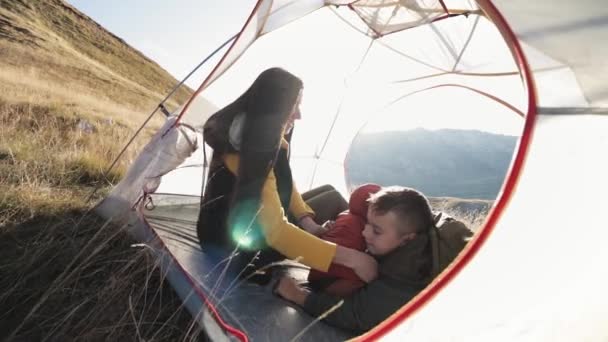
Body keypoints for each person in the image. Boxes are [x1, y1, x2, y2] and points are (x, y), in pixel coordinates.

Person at [197, 67, 377, 284]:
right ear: (275, 107)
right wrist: (353, 259)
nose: (299, 114)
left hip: (241, 226)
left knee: (330, 193)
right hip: (232, 251)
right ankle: (357, 263)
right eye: (294, 105)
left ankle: (351, 243)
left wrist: (307, 221)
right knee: (336, 206)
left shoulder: (258, 130)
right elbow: (276, 231)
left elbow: (283, 179)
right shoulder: (245, 149)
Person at [275, 186, 435, 333]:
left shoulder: (410, 269)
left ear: (407, 240)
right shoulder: (399, 239)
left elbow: (358, 315)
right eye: (367, 224)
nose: (365, 233)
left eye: (376, 231)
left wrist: (298, 295)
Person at [307, 183, 382, 296]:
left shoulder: (349, 216)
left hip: (322, 269)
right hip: (327, 276)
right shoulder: (359, 228)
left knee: (330, 190)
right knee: (333, 197)